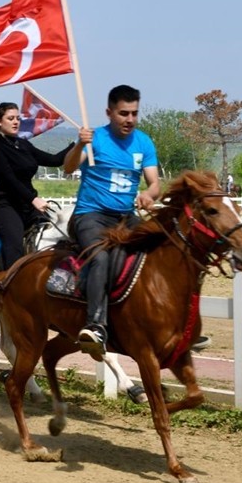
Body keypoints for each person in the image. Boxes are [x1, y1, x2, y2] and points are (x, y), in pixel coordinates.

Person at [63, 85, 161, 360]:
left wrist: (148, 194)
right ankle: (95, 325)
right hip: (90, 215)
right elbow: (68, 167)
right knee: (100, 257)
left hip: (126, 217)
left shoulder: (144, 142)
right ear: (109, 112)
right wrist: (80, 144)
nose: (130, 119)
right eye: (123, 113)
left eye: (134, 113)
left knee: (161, 247)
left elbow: (155, 184)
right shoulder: (94, 139)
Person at [0, 102, 76, 272]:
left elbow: (54, 160)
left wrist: (78, 143)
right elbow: (9, 180)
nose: (16, 122)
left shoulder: (23, 144)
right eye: (10, 118)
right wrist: (33, 199)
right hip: (6, 206)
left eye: (18, 118)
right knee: (14, 246)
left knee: (57, 237)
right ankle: (7, 283)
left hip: (28, 206)